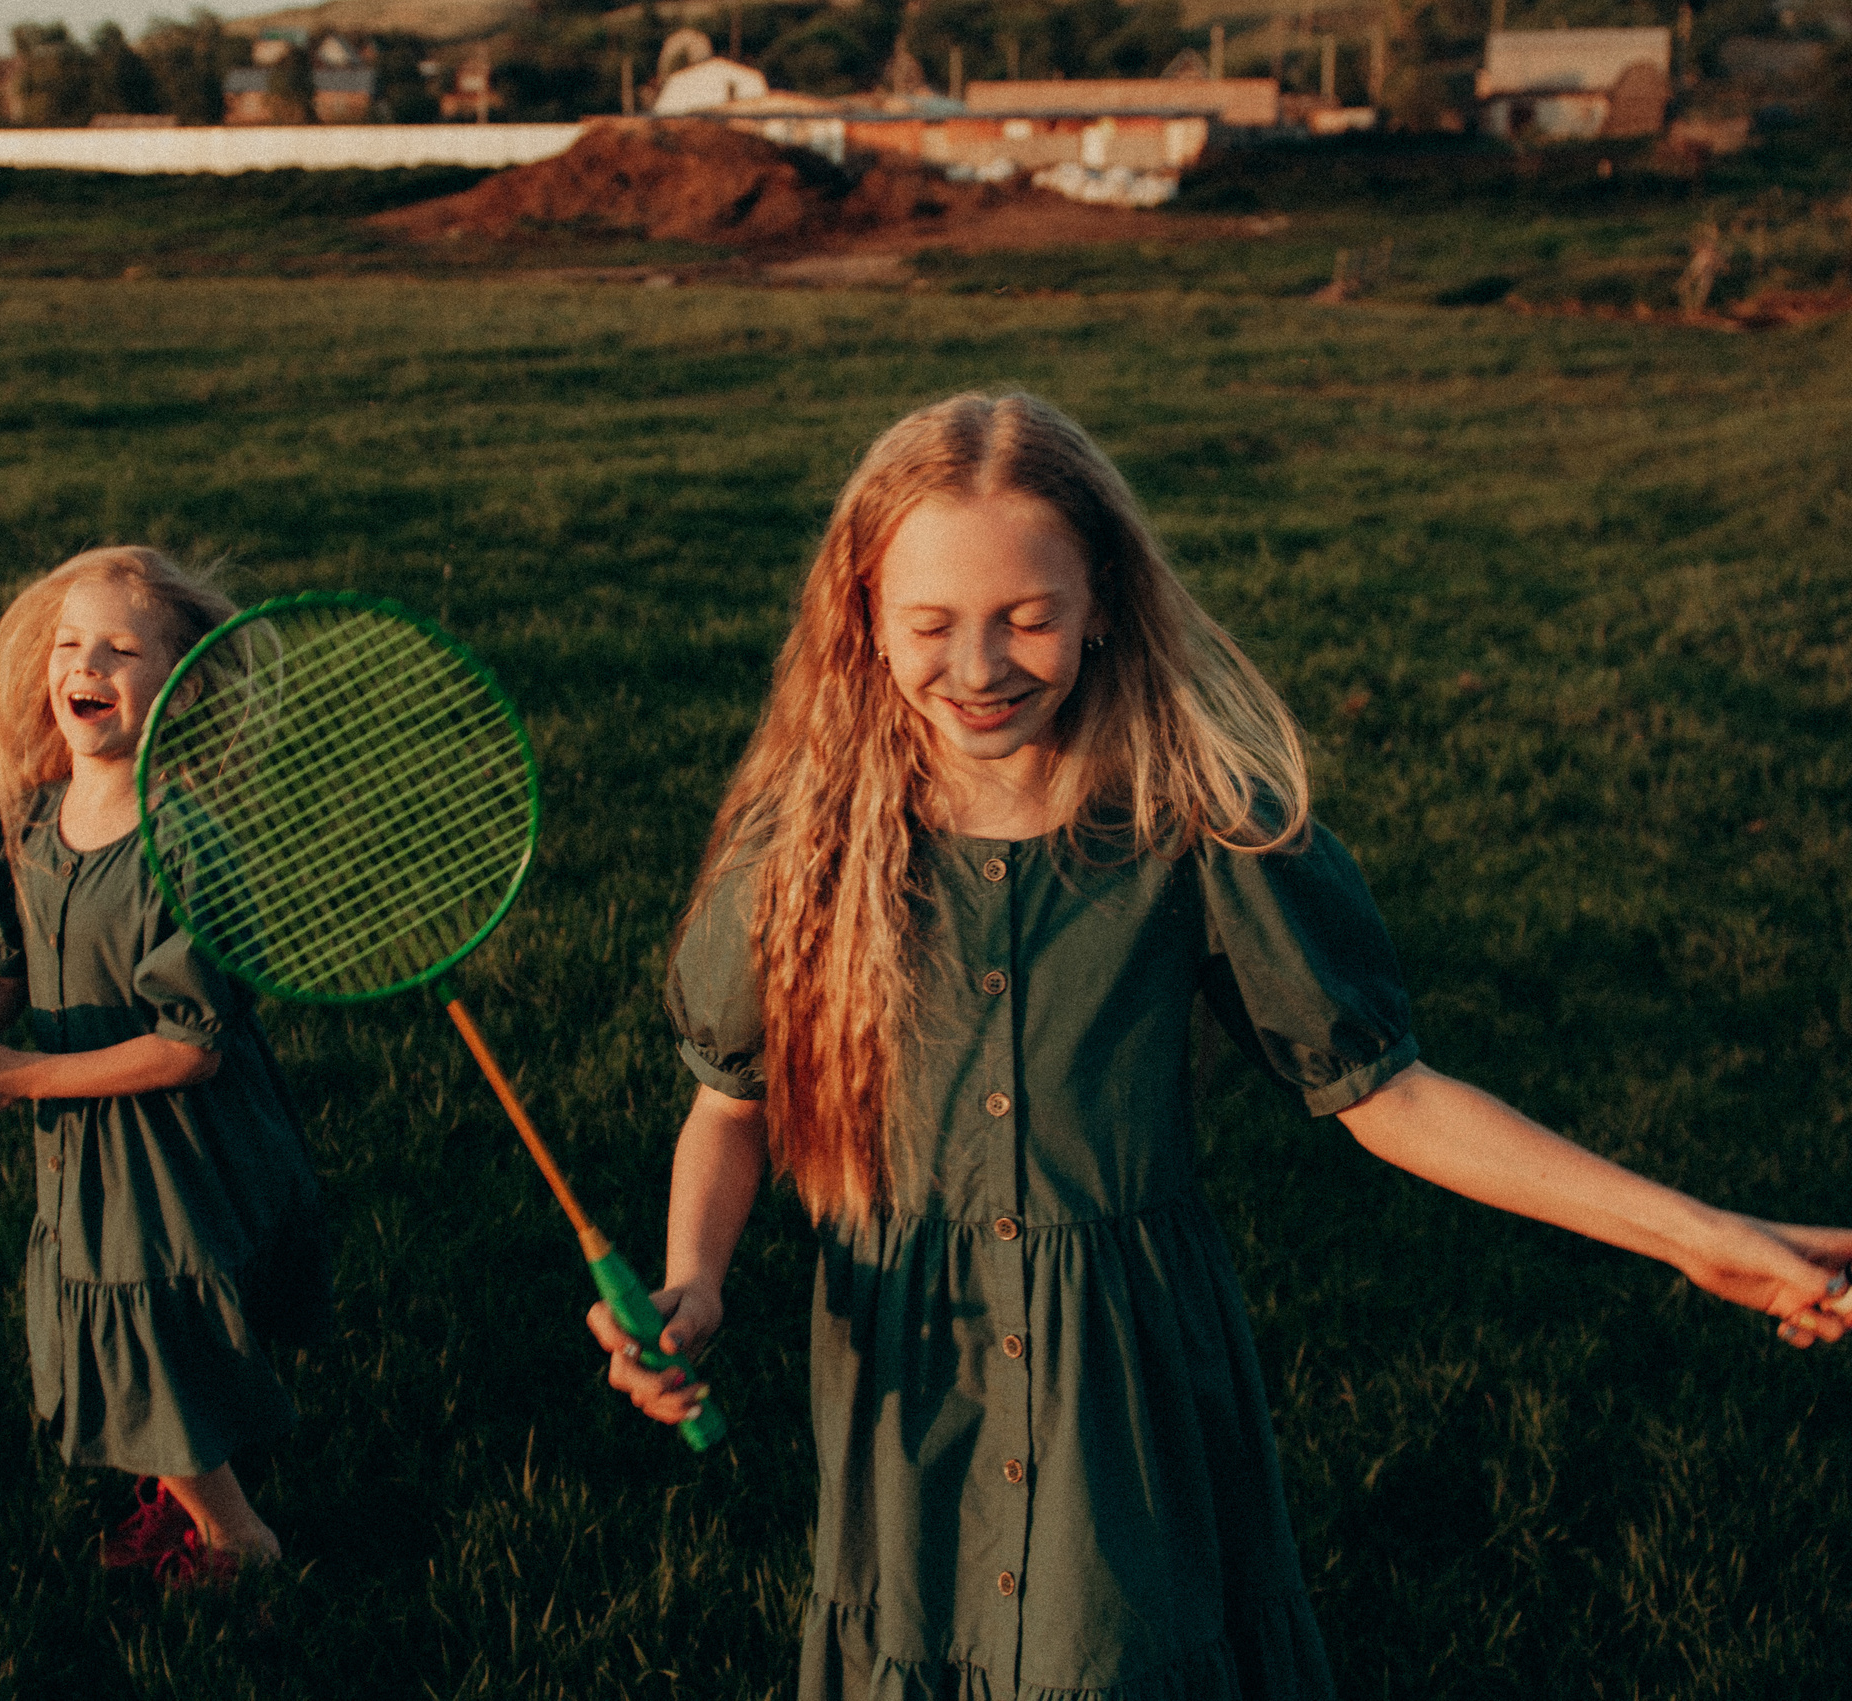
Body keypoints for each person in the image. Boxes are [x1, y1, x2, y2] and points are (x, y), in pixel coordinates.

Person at [588, 393, 1852, 1699]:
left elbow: (1389, 1094)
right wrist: (695, 1280)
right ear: (862, 615)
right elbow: (731, 1105)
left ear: (1103, 606)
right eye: (930, 625)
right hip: (913, 1366)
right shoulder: (808, 851)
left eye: (1028, 616)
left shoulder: (1195, 825)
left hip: (1123, 1373)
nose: (979, 667)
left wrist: (1697, 1231)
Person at [0, 545, 329, 1584]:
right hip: (87, 1136)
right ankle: (185, 1486)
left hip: (177, 1139)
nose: (87, 664)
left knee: (143, 1329)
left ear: (180, 686)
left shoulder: (186, 845)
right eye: (71, 644)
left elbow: (187, 1050)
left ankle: (235, 1539)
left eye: (122, 649)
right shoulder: (30, 823)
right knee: (125, 1320)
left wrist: (10, 1078)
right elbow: (8, 968)